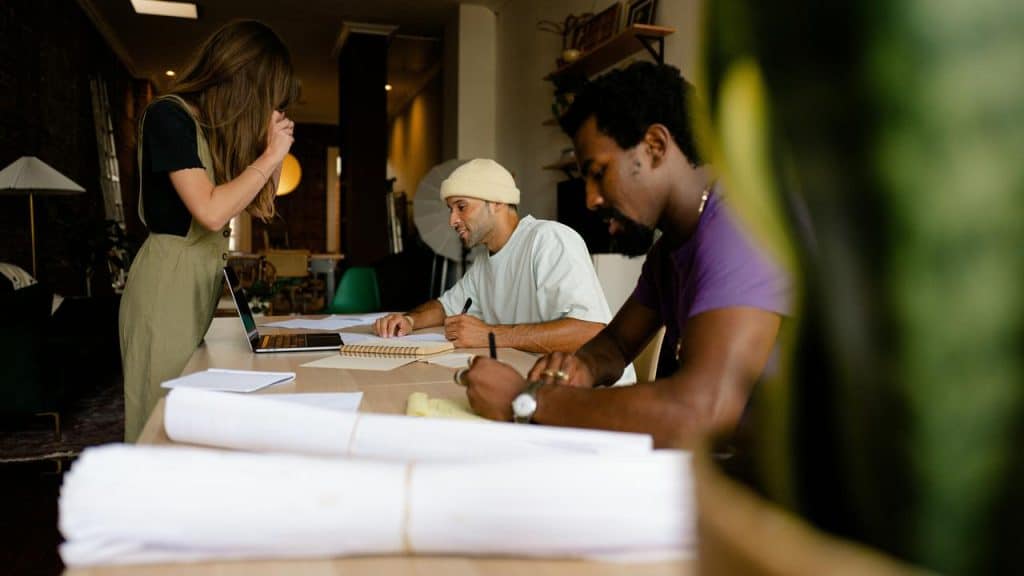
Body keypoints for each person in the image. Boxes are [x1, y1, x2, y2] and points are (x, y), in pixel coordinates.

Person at [461, 62, 792, 448]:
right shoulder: (671, 247)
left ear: (654, 146)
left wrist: (529, 400)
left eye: (599, 172)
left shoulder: (740, 226)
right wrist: (578, 366)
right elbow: (616, 343)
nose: (590, 199)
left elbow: (702, 410)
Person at [119, 20, 299, 441]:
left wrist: (270, 155)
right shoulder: (168, 116)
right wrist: (270, 155)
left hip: (194, 287)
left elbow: (256, 205)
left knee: (182, 415)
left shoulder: (206, 131)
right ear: (245, 82)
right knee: (157, 419)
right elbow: (212, 212)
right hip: (165, 287)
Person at [374, 159, 623, 358]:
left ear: (497, 202)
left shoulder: (549, 240)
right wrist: (408, 320)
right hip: (538, 382)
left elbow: (589, 332)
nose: (452, 220)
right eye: (451, 210)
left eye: (461, 206)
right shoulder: (485, 261)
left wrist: (490, 335)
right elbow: (445, 307)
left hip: (594, 394)